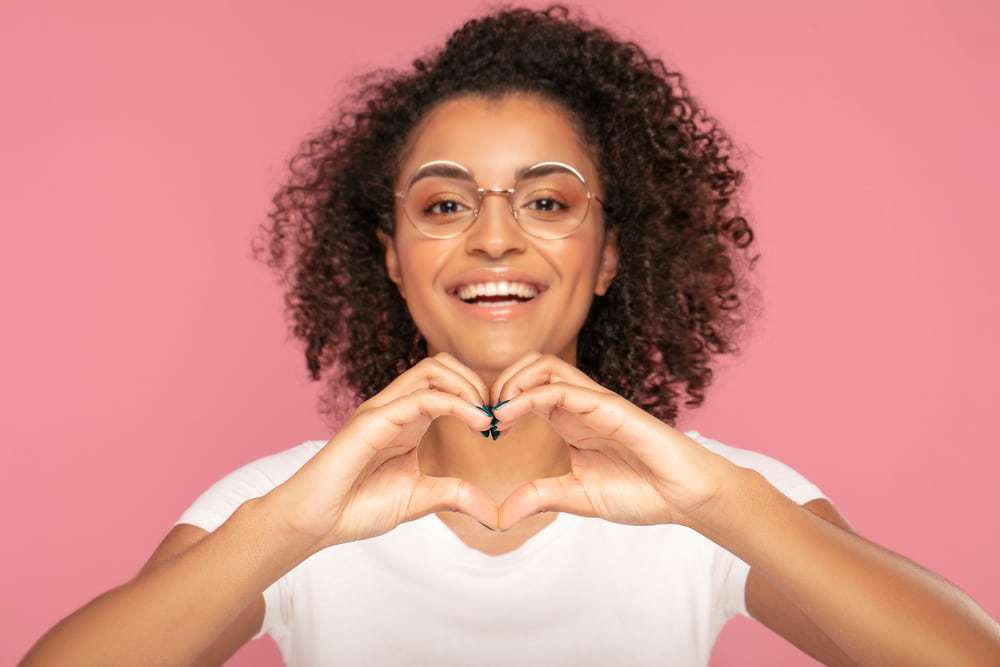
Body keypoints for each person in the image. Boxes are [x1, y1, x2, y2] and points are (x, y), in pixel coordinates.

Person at [21, 5, 1000, 667]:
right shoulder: (284, 507)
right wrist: (289, 527)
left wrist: (717, 503)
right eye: (444, 203)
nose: (493, 235)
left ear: (610, 253)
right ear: (392, 255)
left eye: (546, 199)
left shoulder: (713, 499)